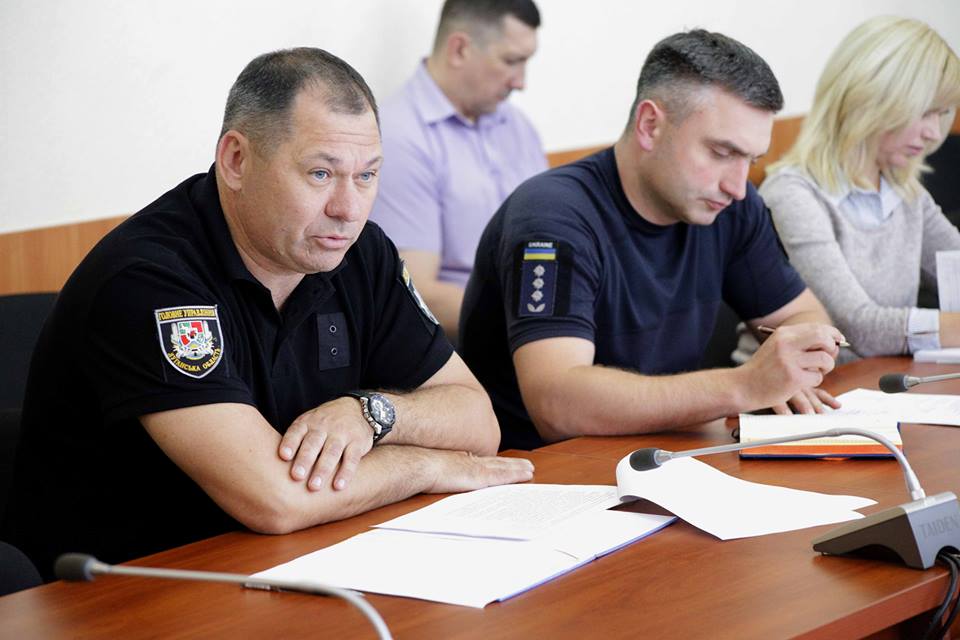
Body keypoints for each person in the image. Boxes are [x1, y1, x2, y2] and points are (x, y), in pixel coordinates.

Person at [2, 48, 533, 580]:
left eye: (367, 175)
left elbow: (477, 423)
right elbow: (276, 500)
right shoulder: (149, 278)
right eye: (320, 173)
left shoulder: (358, 253)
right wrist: (425, 464)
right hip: (129, 590)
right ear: (236, 160)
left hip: (293, 561)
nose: (348, 209)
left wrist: (373, 413)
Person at [459, 30, 845, 451]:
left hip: (667, 455)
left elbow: (802, 315)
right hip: (548, 471)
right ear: (650, 125)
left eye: (750, 160)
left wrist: (793, 366)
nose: (737, 186)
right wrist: (743, 386)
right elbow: (557, 404)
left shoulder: (730, 206)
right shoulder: (552, 216)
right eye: (721, 153)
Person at [758, 16, 960, 359]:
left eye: (940, 114)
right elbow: (858, 329)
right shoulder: (792, 193)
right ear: (871, 99)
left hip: (880, 382)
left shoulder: (905, 193)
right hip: (804, 387)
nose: (933, 132)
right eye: (925, 112)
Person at [369, 0, 547, 343]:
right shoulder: (399, 136)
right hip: (466, 349)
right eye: (511, 61)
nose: (521, 82)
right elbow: (414, 291)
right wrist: (542, 318)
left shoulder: (518, 126)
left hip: (533, 326)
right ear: (460, 49)